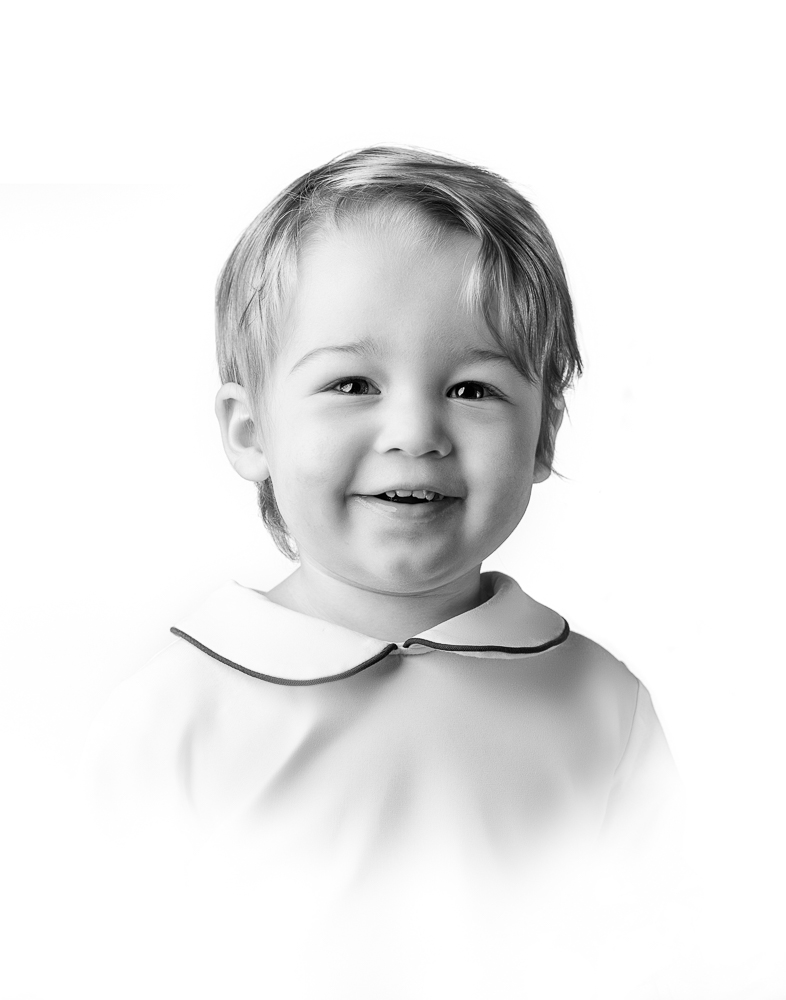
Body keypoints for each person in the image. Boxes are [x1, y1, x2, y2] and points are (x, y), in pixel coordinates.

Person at [82, 146, 684, 998]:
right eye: (353, 382)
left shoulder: (603, 704)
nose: (415, 431)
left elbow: (668, 952)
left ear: (545, 433)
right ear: (250, 431)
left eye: (473, 389)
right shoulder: (175, 713)